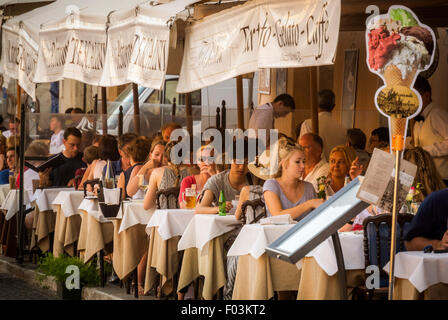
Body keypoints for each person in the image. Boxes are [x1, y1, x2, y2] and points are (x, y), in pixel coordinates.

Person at [263, 142, 322, 221]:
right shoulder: (271, 185)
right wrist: (309, 204)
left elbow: (318, 218)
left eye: (304, 161)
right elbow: (277, 216)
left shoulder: (309, 187)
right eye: (297, 162)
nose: (303, 166)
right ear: (285, 164)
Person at [195, 139, 253, 215]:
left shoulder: (254, 180)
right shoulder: (216, 181)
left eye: (246, 162)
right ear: (229, 160)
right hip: (222, 225)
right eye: (237, 161)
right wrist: (218, 208)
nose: (241, 167)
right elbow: (199, 210)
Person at [412, 75, 448, 185]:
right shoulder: (418, 120)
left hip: (442, 180)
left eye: (414, 97)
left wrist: (424, 151)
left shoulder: (437, 114)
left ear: (426, 96)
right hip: (425, 179)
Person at [300, 89, 346, 160]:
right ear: (333, 106)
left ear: (315, 105)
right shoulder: (343, 129)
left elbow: (303, 151)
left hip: (317, 167)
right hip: (335, 168)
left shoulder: (308, 124)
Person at [178, 145, 218, 209]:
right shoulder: (188, 181)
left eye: (210, 158)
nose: (206, 162)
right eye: (202, 159)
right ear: (197, 162)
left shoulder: (220, 180)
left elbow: (225, 201)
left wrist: (214, 176)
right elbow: (182, 205)